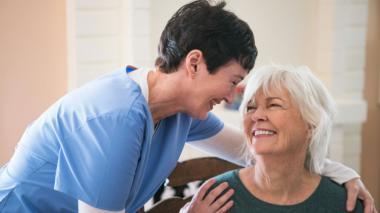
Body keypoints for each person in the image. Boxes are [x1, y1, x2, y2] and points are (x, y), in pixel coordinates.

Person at [0, 1, 375, 212]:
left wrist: (339, 172)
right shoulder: (115, 118)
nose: (232, 99)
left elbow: (250, 151)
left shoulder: (177, 109)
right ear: (194, 63)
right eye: (231, 83)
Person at [181, 65, 366, 213]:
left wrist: (345, 174)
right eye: (250, 107)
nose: (256, 116)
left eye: (274, 105)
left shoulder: (345, 203)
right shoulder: (215, 198)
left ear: (312, 125)